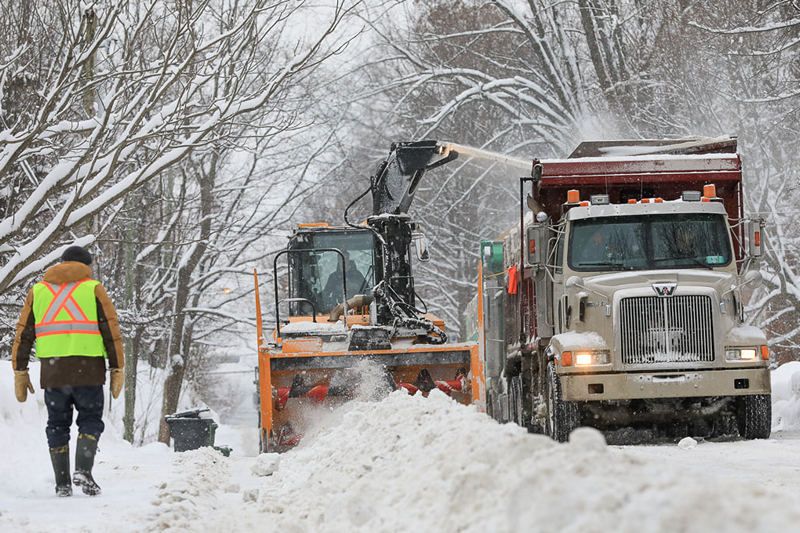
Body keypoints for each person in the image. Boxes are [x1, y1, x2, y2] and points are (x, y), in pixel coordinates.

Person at [11, 245, 124, 497]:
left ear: (61, 263)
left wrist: (20, 370)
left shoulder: (38, 291)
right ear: (87, 266)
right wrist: (117, 366)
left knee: (57, 424)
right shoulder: (92, 288)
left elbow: (24, 333)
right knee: (90, 420)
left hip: (54, 373)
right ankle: (83, 470)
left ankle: (62, 484)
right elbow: (111, 331)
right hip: (89, 370)